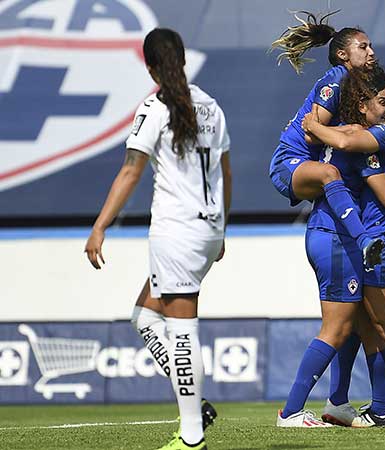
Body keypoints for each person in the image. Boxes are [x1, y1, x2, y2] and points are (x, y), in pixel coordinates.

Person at [84, 28, 231, 450]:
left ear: (149, 66)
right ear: (183, 59)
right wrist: (222, 229)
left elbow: (131, 170)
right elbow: (227, 170)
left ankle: (191, 436)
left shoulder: (154, 108)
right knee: (145, 317)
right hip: (206, 230)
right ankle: (196, 407)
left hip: (176, 231)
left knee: (182, 330)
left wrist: (100, 225)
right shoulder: (211, 106)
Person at [276, 66, 385, 428]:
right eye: (381, 102)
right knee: (337, 329)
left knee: (364, 328)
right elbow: (378, 182)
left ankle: (345, 403)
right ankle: (291, 411)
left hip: (333, 233)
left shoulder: (348, 131)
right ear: (361, 103)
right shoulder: (355, 134)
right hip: (336, 236)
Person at [269, 11, 385, 268]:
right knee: (330, 173)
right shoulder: (337, 78)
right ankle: (364, 241)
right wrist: (356, 130)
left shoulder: (357, 84)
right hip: (289, 163)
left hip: (316, 159)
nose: (371, 51)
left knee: (378, 171)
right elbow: (310, 133)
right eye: (363, 47)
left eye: (371, 46)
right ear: (342, 55)